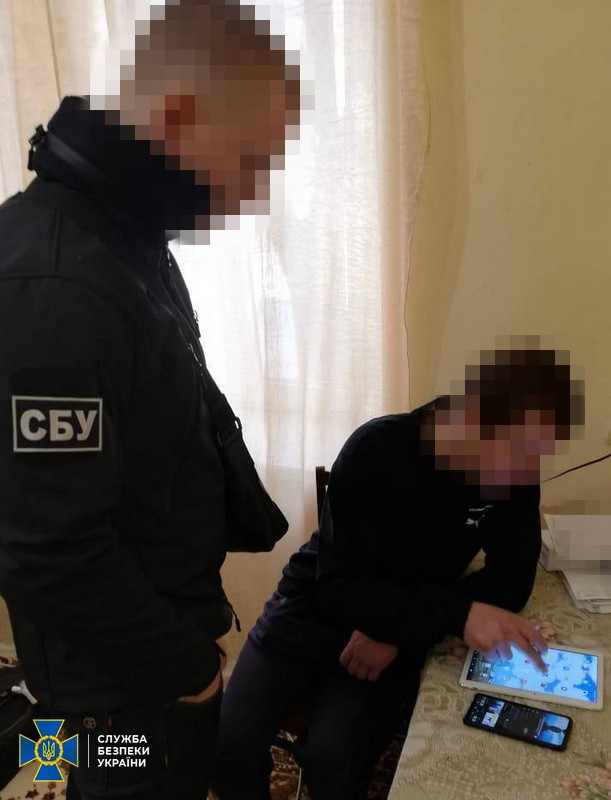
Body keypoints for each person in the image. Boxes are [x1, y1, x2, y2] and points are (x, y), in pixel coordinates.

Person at [0, 2, 299, 799]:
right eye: (251, 158)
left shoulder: (122, 240)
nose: (252, 190)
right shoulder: (54, 280)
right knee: (130, 784)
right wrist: (188, 670)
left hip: (156, 647)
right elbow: (48, 551)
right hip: (120, 692)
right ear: (178, 116)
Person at [215, 346, 583, 800]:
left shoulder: (516, 467)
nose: (522, 468)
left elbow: (513, 580)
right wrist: (457, 612)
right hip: (311, 605)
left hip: (402, 623)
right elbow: (339, 587)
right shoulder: (376, 448)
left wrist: (400, 635)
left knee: (334, 760)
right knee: (228, 744)